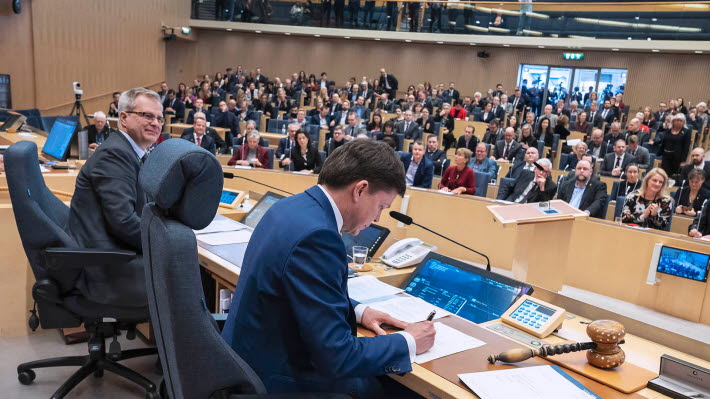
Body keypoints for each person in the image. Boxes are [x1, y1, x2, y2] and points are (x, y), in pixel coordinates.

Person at [222, 140, 436, 397]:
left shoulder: (289, 207)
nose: (378, 219)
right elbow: (338, 356)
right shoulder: (318, 236)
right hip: (278, 380)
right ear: (360, 190)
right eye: (381, 206)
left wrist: (358, 310)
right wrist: (409, 341)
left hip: (245, 362)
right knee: (408, 391)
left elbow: (300, 290)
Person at [67, 87, 163, 307]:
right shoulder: (115, 154)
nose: (156, 123)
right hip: (106, 267)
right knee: (185, 270)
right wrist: (165, 241)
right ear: (124, 117)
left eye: (159, 118)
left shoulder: (129, 152)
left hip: (113, 252)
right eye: (147, 115)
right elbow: (124, 222)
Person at [658, 113, 692, 177]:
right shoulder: (669, 130)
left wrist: (683, 161)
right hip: (666, 155)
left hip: (677, 157)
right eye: (677, 120)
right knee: (664, 175)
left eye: (681, 121)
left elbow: (686, 147)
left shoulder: (686, 132)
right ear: (673, 121)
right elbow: (664, 142)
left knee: (673, 176)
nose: (679, 122)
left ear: (683, 122)